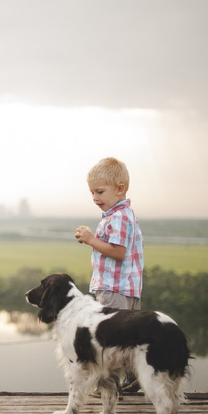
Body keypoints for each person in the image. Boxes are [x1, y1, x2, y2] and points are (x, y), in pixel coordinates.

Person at [75, 157, 143, 393]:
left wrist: (91, 240)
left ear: (120, 189)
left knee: (108, 338)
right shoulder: (124, 214)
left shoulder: (118, 217)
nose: (95, 198)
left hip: (114, 289)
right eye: (92, 192)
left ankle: (108, 387)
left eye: (100, 191)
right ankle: (132, 380)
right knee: (129, 338)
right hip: (127, 289)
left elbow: (118, 252)